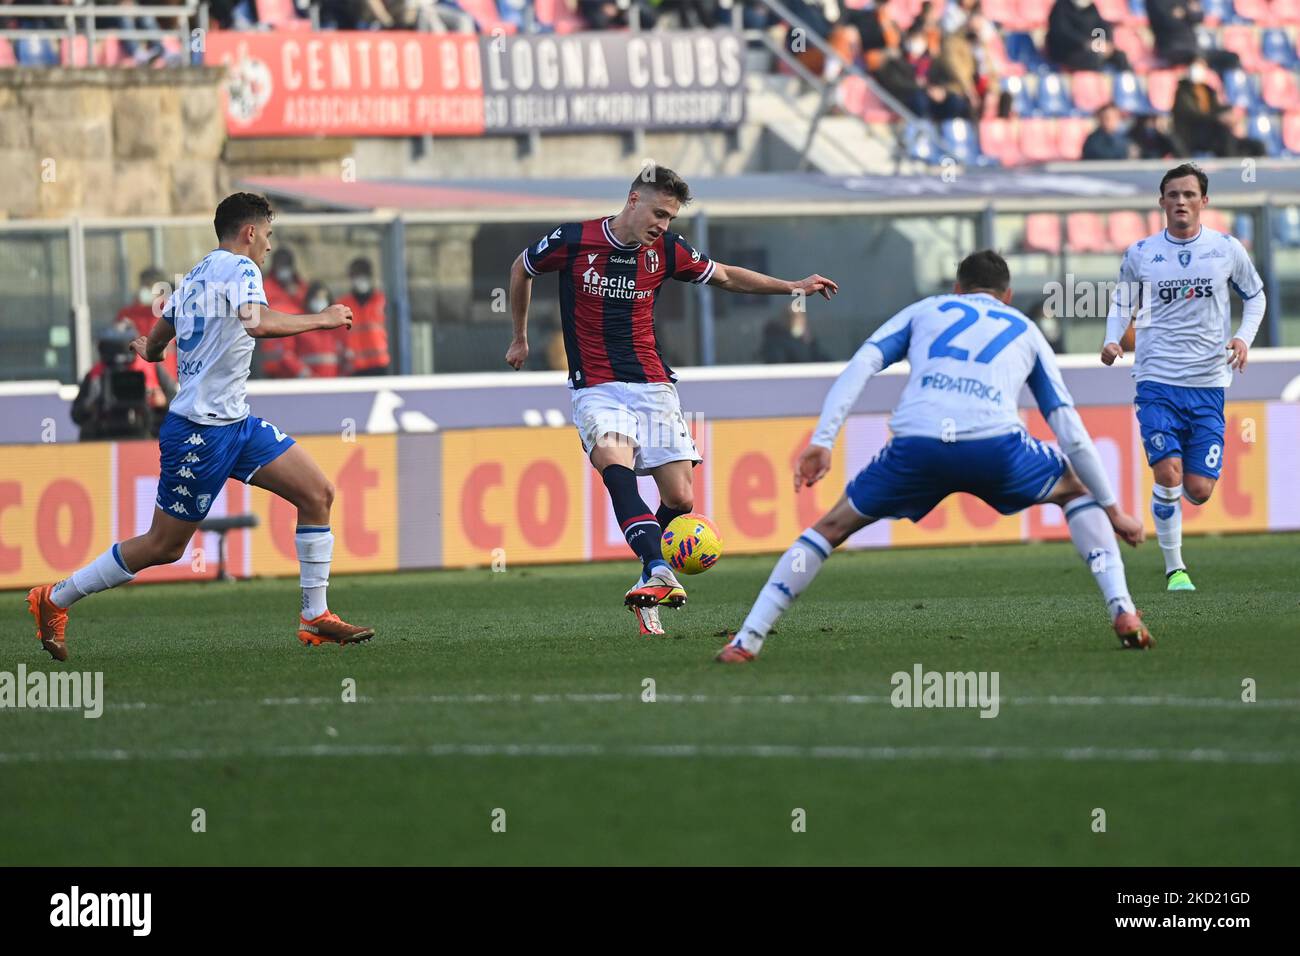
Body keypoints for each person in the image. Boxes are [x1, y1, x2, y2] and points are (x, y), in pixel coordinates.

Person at [719, 249, 1150, 664]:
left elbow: (861, 366)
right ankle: (1122, 608)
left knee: (831, 527)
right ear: (1008, 295)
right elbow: (1068, 427)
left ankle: (748, 638)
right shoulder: (1024, 328)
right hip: (995, 447)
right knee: (1074, 488)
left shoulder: (926, 310)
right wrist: (1113, 509)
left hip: (917, 447)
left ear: (958, 289)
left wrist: (823, 439)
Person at [26, 193, 373, 662]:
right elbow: (257, 325)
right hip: (199, 433)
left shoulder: (195, 275)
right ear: (250, 232)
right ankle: (55, 598)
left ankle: (315, 616)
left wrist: (149, 350)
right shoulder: (242, 269)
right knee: (163, 546)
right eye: (267, 235)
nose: (269, 247)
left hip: (236, 423)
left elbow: (163, 330)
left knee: (317, 494)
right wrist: (323, 319)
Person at [504, 166, 836, 637]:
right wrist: (519, 336)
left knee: (680, 497)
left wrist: (791, 286)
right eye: (659, 212)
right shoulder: (575, 240)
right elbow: (522, 268)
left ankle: (648, 582)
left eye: (671, 217)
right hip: (596, 384)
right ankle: (659, 568)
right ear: (633, 201)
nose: (663, 224)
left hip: (653, 384)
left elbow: (724, 276)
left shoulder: (667, 251)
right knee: (614, 460)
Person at [1102, 163, 1266, 592]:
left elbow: (1256, 295)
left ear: (1204, 202)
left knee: (1198, 488)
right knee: (1169, 472)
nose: (1181, 202)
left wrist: (1243, 338)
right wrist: (1113, 339)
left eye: (1189, 195)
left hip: (1209, 383)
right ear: (1161, 202)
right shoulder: (1141, 253)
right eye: (1173, 195)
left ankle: (1181, 515)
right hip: (1156, 381)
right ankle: (1176, 569)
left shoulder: (1227, 249)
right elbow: (1121, 301)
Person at [70, 324, 175, 441]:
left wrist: (163, 402)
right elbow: (76, 414)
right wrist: (90, 406)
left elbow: (178, 401)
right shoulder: (95, 375)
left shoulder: (152, 369)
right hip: (104, 435)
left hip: (146, 433)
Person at [1172, 58, 1265, 158]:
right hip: (1195, 134)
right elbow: (1190, 116)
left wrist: (1228, 114)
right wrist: (1217, 118)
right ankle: (1231, 163)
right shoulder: (1182, 91)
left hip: (1213, 131)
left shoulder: (1208, 90)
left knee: (1257, 146)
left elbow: (1216, 108)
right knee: (1223, 134)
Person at [116, 266, 178, 382]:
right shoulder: (128, 314)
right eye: (144, 285)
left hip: (169, 377)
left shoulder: (171, 310)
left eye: (150, 286)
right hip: (138, 377)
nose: (145, 290)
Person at [1146, 0, 1241, 75]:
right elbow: (1167, 21)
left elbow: (1199, 16)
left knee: (1232, 58)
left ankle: (1219, 94)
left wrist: (1184, 13)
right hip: (1171, 48)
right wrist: (1188, 12)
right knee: (1195, 57)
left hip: (1193, 48)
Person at [1046, 0, 1130, 73]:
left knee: (1120, 56)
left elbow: (1103, 26)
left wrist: (1106, 42)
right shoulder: (1061, 7)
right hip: (1069, 52)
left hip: (1091, 49)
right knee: (1093, 59)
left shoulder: (1091, 8)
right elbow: (1062, 32)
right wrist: (1085, 43)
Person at [339, 257, 391, 376]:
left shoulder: (381, 300)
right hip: (355, 366)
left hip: (381, 364)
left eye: (363, 274)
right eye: (356, 275)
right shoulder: (343, 304)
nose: (360, 279)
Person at [260, 248, 307, 378]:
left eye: (286, 265)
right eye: (280, 265)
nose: (283, 270)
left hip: (299, 355)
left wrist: (296, 293)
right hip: (272, 358)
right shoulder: (264, 287)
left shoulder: (301, 288)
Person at [295, 282, 350, 377]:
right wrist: (306, 374)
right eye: (316, 298)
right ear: (309, 300)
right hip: (308, 383)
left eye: (323, 299)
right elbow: (288, 355)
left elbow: (345, 357)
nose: (320, 302)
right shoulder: (299, 324)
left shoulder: (337, 328)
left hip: (333, 383)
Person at [760, 305, 830, 363]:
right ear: (784, 319)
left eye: (800, 316)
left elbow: (820, 358)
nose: (797, 320)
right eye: (792, 316)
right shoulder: (775, 342)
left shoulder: (808, 341)